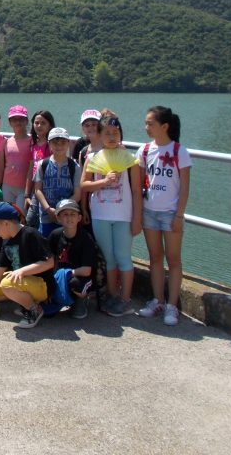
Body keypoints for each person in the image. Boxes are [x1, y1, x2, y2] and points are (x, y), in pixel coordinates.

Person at [135, 106, 192, 327]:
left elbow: (185, 188)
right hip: (149, 211)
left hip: (171, 213)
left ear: (164, 126)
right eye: (146, 123)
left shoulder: (179, 151)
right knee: (155, 258)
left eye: (150, 124)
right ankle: (158, 301)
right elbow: (139, 184)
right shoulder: (144, 151)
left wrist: (179, 215)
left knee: (174, 259)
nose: (146, 127)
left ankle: (172, 306)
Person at [82, 112, 142, 317]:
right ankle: (113, 295)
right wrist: (104, 181)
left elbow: (137, 191)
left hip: (124, 215)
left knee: (124, 257)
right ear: (99, 135)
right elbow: (84, 185)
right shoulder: (92, 157)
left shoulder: (130, 159)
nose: (111, 137)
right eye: (107, 133)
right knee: (108, 258)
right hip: (100, 215)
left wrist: (137, 218)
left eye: (115, 133)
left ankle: (125, 299)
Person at [0, 201, 55, 328]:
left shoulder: (31, 234)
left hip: (42, 284)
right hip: (23, 282)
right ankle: (24, 302)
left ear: (6, 223)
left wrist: (22, 271)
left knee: (6, 284)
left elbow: (49, 263)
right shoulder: (7, 241)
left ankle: (34, 309)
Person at [46, 199, 97, 318]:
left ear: (79, 218)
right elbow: (49, 261)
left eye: (73, 214)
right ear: (58, 218)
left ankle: (81, 300)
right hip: (60, 276)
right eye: (65, 214)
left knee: (75, 284)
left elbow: (87, 271)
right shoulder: (55, 235)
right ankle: (61, 298)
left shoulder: (86, 238)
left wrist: (68, 273)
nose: (69, 218)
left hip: (80, 277)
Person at [32, 127, 81, 238]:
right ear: (49, 144)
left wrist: (61, 210)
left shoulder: (74, 167)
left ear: (68, 143)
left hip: (67, 217)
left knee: (65, 244)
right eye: (55, 142)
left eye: (63, 142)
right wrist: (48, 209)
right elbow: (38, 190)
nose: (59, 146)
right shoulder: (42, 164)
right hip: (46, 216)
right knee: (46, 243)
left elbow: (78, 194)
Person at [23, 110, 55, 227]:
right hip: (35, 192)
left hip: (48, 191)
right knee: (30, 222)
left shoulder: (52, 145)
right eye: (36, 123)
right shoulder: (34, 145)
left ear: (50, 125)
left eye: (43, 123)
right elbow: (31, 169)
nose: (39, 126)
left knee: (44, 223)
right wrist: (27, 194)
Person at [3, 105, 32, 206]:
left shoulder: (32, 141)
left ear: (26, 121)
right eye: (14, 119)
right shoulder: (6, 141)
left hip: (24, 188)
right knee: (7, 214)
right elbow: (1, 165)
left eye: (21, 119)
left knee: (21, 214)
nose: (18, 122)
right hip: (7, 186)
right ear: (10, 122)